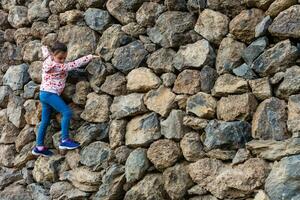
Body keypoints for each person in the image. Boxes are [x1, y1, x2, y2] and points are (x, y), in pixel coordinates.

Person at [32, 41, 98, 157]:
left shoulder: (48, 57)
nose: (62, 60)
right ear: (53, 55)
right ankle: (64, 140)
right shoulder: (59, 66)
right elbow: (74, 64)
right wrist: (90, 57)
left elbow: (45, 52)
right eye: (60, 58)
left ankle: (39, 147)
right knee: (67, 112)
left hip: (44, 94)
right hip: (49, 94)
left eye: (64, 58)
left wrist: (43, 45)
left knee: (45, 121)